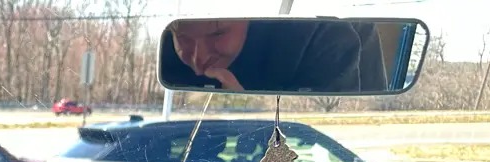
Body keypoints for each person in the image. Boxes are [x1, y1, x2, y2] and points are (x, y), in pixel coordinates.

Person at [160, 18, 385, 94]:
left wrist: (244, 106)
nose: (199, 58)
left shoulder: (322, 36)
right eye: (185, 39)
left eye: (218, 32)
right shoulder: (167, 55)